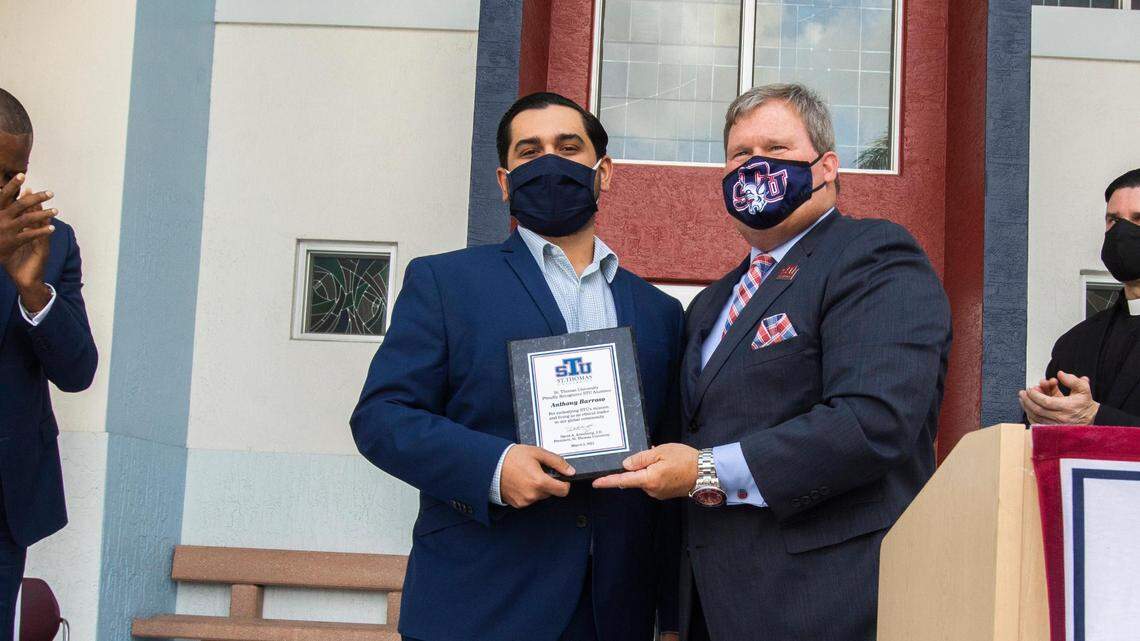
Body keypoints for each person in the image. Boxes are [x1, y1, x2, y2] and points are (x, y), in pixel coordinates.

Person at [594, 83, 953, 640]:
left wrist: (706, 470)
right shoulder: (712, 303)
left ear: (826, 166)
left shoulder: (874, 256)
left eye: (777, 150)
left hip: (826, 605)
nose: (754, 167)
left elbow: (872, 422)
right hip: (711, 610)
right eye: (740, 155)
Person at [350, 92, 682, 641]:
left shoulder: (660, 312)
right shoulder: (445, 283)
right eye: (530, 152)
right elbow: (382, 417)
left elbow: (667, 459)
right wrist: (493, 466)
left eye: (568, 147)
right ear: (505, 181)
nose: (549, 161)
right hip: (480, 604)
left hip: (612, 613)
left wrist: (670, 617)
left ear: (605, 172)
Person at [0, 88, 98, 641]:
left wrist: (34, 290)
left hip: (7, 498)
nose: (9, 190)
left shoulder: (51, 242)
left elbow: (79, 371)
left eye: (16, 174)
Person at [1020, 168, 1140, 427]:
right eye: (1114, 221)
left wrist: (1097, 417)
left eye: (1138, 219)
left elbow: (1091, 416)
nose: (1123, 233)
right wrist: (1046, 413)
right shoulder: (1075, 343)